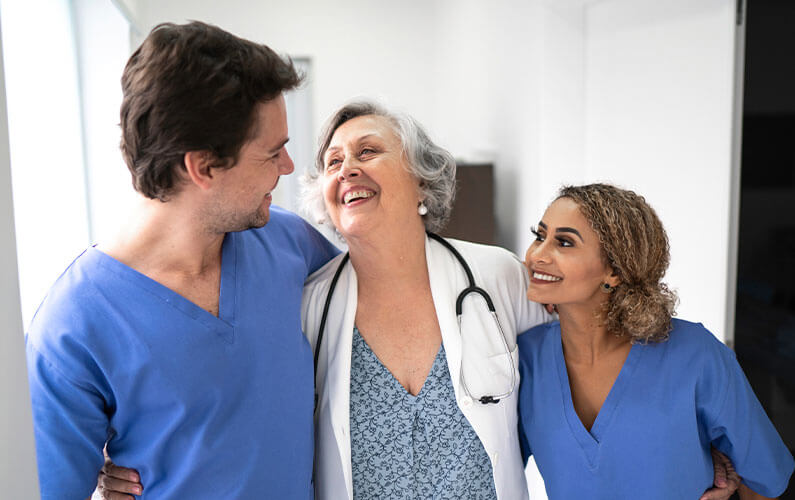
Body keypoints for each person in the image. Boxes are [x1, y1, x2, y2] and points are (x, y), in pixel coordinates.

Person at [95, 104, 741, 500]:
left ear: (423, 182)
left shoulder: (497, 277)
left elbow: (594, 354)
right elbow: (229, 394)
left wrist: (692, 441)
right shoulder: (309, 304)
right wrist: (127, 456)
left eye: (368, 152)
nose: (346, 168)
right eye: (333, 161)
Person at [25, 21, 337, 499]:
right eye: (272, 152)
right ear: (203, 166)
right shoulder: (72, 329)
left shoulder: (291, 243)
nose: (288, 166)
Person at [517, 183, 794, 499]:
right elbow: (490, 463)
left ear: (614, 271)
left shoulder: (695, 354)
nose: (536, 255)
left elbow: (762, 481)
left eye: (564, 242)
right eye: (539, 236)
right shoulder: (525, 359)